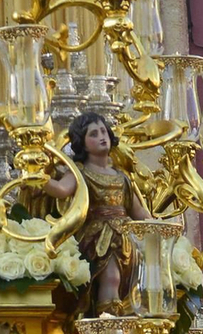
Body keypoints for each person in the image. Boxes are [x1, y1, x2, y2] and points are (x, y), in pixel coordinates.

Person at [46, 110, 148, 306]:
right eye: (93, 134)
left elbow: (138, 212)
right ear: (81, 142)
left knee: (131, 283)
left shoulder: (121, 176)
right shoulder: (80, 172)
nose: (102, 137)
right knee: (111, 278)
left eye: (103, 132)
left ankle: (121, 321)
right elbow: (60, 189)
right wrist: (39, 177)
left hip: (126, 239)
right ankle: (108, 323)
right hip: (99, 238)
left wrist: (160, 226)